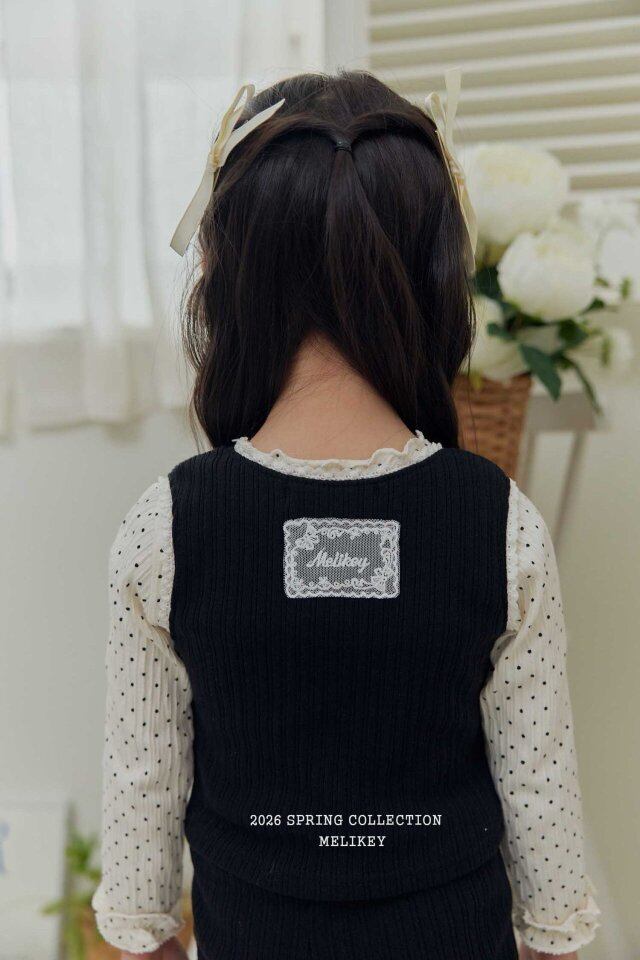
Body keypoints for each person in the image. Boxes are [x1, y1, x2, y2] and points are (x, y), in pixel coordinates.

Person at [92, 71, 600, 960]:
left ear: (224, 273)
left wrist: (145, 935)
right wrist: (553, 935)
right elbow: (539, 783)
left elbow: (143, 795)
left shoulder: (166, 526)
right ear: (440, 272)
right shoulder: (499, 523)